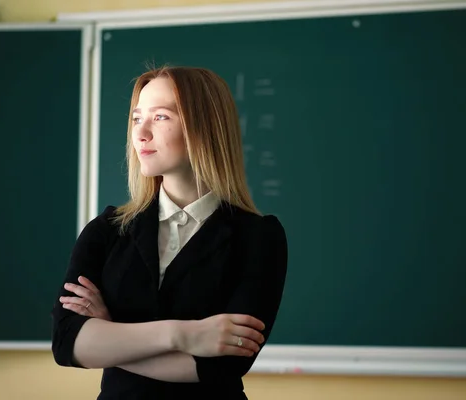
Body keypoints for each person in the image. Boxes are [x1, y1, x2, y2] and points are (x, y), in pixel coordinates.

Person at [51, 66, 288, 399]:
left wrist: (112, 336)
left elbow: (220, 367)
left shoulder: (259, 237)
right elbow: (67, 345)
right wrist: (184, 335)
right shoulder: (106, 231)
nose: (141, 134)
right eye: (136, 118)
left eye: (160, 117)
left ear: (204, 127)